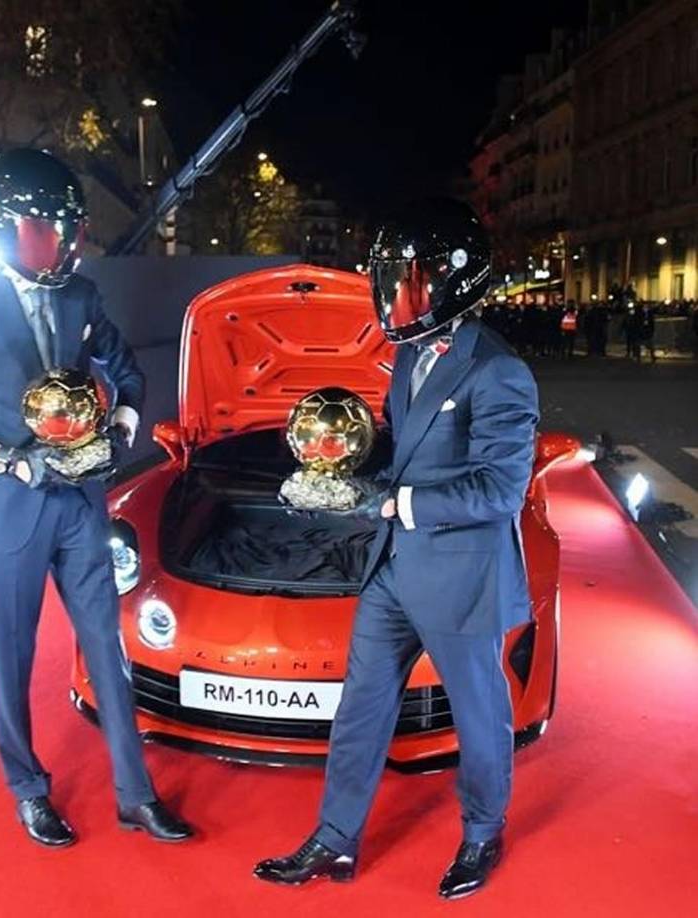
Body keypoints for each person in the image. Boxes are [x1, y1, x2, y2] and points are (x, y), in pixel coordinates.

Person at [0, 148, 193, 848]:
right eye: (42, 231)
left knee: (108, 652)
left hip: (80, 503)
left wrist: (119, 427)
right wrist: (0, 457)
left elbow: (122, 368)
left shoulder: (79, 295)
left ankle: (135, 795)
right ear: (3, 227)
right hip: (4, 514)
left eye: (66, 231)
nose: (57, 246)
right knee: (10, 659)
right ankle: (28, 790)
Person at [253, 199, 539, 900]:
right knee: (360, 708)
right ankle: (335, 837)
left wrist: (390, 503)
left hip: (460, 579)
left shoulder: (498, 371)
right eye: (393, 280)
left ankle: (481, 834)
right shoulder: (410, 352)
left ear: (455, 280)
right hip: (393, 569)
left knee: (479, 716)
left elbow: (500, 489)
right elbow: (398, 451)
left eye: (413, 280)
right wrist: (336, 474)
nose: (398, 296)